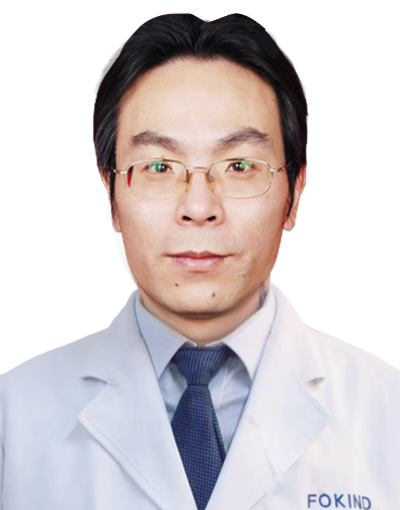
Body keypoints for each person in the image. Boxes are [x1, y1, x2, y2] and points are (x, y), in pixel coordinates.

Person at [0, 13, 399, 510]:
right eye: (159, 166)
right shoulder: (14, 416)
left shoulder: (387, 413)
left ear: (294, 194)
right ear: (112, 197)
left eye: (239, 165)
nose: (198, 206)